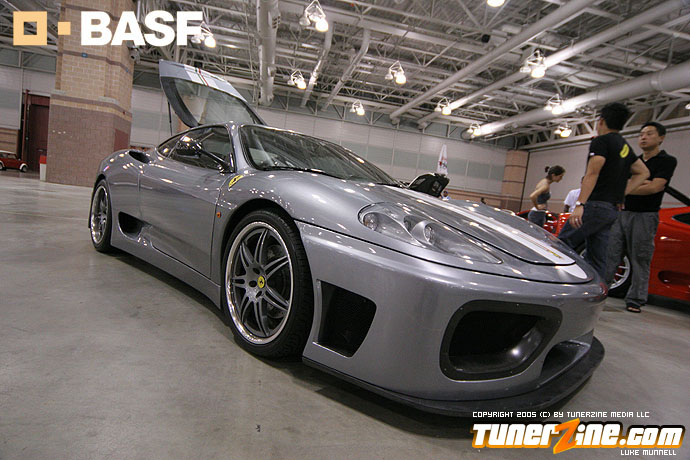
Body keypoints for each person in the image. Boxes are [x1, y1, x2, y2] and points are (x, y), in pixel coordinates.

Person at [559, 102, 649, 278]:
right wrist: (620, 194)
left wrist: (580, 204)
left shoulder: (601, 141)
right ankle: (596, 291)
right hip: (611, 210)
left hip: (595, 205)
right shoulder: (624, 146)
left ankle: (551, 284)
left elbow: (593, 173)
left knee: (560, 245)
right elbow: (643, 172)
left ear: (601, 121)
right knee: (597, 257)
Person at [605, 121, 677, 313]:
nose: (644, 137)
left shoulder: (666, 161)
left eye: (649, 134)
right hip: (622, 213)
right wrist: (641, 183)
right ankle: (601, 292)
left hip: (645, 216)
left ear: (661, 138)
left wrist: (629, 187)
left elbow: (655, 187)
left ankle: (635, 299)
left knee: (640, 257)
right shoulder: (633, 162)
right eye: (641, 134)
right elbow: (620, 183)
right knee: (611, 254)